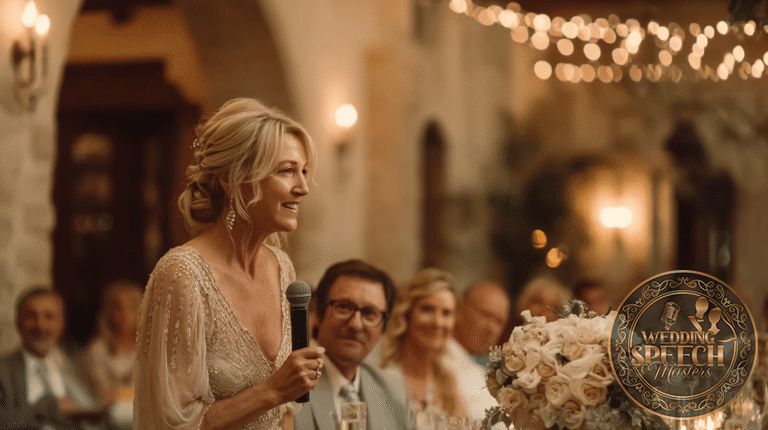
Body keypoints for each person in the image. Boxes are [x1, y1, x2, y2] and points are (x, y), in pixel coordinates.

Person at [133, 98, 325, 430]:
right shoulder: (183, 275)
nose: (303, 188)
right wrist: (274, 389)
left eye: (303, 171)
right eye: (287, 171)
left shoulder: (283, 270)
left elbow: (286, 413)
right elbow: (172, 424)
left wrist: (286, 399)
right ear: (233, 179)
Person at [293, 259, 406, 430]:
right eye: (344, 307)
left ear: (383, 328)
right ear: (316, 313)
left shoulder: (393, 392)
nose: (356, 324)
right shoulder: (291, 383)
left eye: (369, 313)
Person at [375, 268, 470, 422]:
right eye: (427, 309)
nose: (438, 322)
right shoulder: (383, 377)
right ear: (406, 313)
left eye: (446, 313)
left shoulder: (447, 381)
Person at [0, 286, 101, 430]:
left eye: (49, 316)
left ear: (61, 324)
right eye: (31, 316)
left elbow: (94, 417)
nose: (40, 325)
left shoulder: (75, 368)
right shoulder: (3, 371)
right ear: (18, 324)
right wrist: (51, 405)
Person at [82, 279, 143, 428]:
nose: (125, 315)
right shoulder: (98, 349)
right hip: (109, 420)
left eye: (132, 308)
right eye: (118, 308)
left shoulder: (147, 349)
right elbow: (104, 395)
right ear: (108, 312)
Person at [453, 280, 510, 367]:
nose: (492, 328)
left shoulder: (487, 372)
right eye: (486, 315)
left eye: (499, 322)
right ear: (459, 310)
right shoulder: (432, 356)